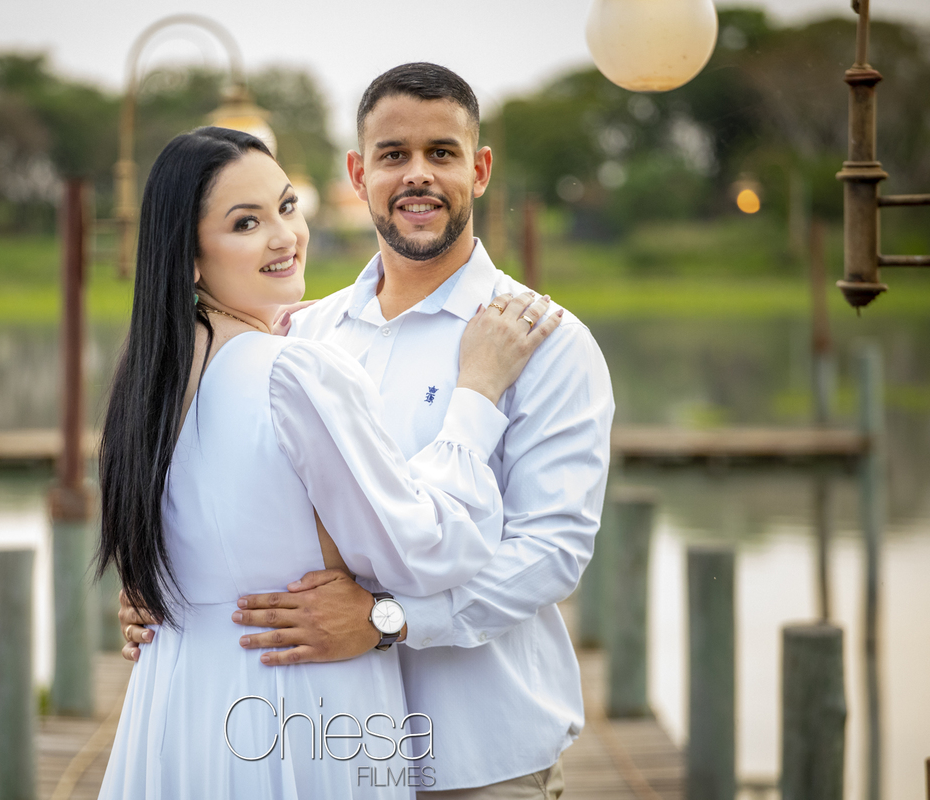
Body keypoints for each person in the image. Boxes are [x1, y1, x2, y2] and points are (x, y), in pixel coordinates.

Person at [121, 64, 616, 799]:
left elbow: (551, 552)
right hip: (322, 749)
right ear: (358, 175)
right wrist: (173, 586)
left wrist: (390, 620)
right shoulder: (299, 335)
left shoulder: (540, 338)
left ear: (479, 170)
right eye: (393, 155)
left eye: (442, 153)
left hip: (476, 756)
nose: (418, 175)